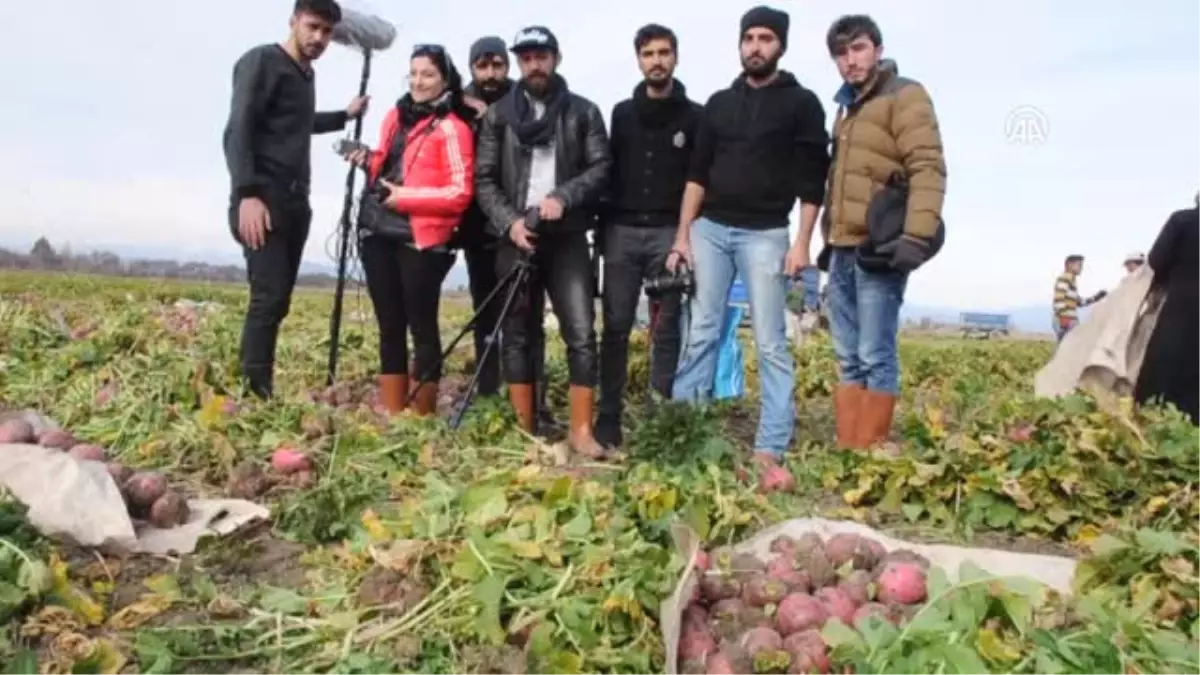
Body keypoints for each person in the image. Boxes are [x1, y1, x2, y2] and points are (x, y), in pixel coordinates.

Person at [666, 6, 830, 489]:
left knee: (770, 341)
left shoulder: (802, 104)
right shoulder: (718, 104)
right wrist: (682, 236)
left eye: (765, 38)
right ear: (739, 45)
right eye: (749, 38)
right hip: (711, 230)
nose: (755, 46)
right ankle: (683, 431)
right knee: (703, 331)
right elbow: (697, 174)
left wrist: (802, 242)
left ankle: (769, 445)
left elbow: (811, 180)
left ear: (780, 45)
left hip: (766, 234)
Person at [474, 26, 613, 458]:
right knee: (517, 333)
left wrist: (563, 198)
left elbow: (601, 167)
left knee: (580, 333)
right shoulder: (499, 118)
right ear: (519, 62)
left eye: (542, 56)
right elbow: (484, 179)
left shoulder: (584, 112)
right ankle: (523, 427)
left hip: (568, 237)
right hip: (516, 237)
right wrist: (511, 223)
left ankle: (581, 431)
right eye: (527, 57)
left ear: (556, 58)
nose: (535, 64)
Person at [222, 0, 369, 399]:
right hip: (262, 200)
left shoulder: (305, 76)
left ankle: (257, 384)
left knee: (280, 300)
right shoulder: (261, 62)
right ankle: (253, 394)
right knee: (267, 297)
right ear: (294, 21)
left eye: (326, 33)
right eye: (313, 27)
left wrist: (344, 114)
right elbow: (238, 131)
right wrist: (247, 195)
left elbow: (299, 123)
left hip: (294, 204)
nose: (319, 38)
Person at [814, 15, 946, 450]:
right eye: (841, 53)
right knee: (847, 356)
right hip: (843, 247)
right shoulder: (846, 109)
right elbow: (838, 181)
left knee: (875, 353)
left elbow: (927, 164)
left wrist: (916, 236)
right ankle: (850, 447)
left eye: (858, 49)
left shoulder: (905, 95)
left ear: (877, 49)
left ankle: (871, 447)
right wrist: (826, 240)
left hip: (880, 247)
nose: (850, 61)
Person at [340, 45, 476, 415]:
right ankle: (395, 411)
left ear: (445, 80)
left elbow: (460, 192)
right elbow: (386, 168)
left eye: (428, 74)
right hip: (378, 231)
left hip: (422, 237)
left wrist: (405, 198)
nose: (418, 81)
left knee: (422, 324)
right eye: (413, 73)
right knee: (389, 323)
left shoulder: (453, 128)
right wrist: (366, 159)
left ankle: (423, 413)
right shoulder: (394, 117)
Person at [596, 23, 702, 449]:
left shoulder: (695, 116)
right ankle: (609, 417)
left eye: (663, 52)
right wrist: (602, 235)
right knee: (616, 325)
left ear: (675, 57)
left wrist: (684, 236)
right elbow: (608, 172)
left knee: (668, 328)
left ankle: (660, 412)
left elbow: (698, 177)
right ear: (638, 59)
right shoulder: (621, 113)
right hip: (622, 232)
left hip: (667, 234)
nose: (656, 61)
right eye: (648, 54)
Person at [459, 37, 557, 432]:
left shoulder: (524, 104)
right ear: (472, 70)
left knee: (527, 318)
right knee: (485, 313)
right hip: (479, 229)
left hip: (522, 229)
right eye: (482, 67)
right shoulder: (459, 104)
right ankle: (487, 394)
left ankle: (535, 401)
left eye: (498, 65)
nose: (491, 74)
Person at [1135, 193, 1200, 424]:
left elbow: (1156, 260)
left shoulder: (1182, 220)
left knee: (1167, 357)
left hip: (1181, 301)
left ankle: (1153, 412)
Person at [1052, 254, 1104, 342]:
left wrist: (1096, 298)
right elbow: (1058, 301)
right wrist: (1064, 321)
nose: (1081, 268)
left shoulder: (1072, 282)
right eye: (1079, 265)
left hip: (1069, 321)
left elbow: (1079, 302)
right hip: (1065, 320)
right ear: (1069, 265)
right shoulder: (1064, 279)